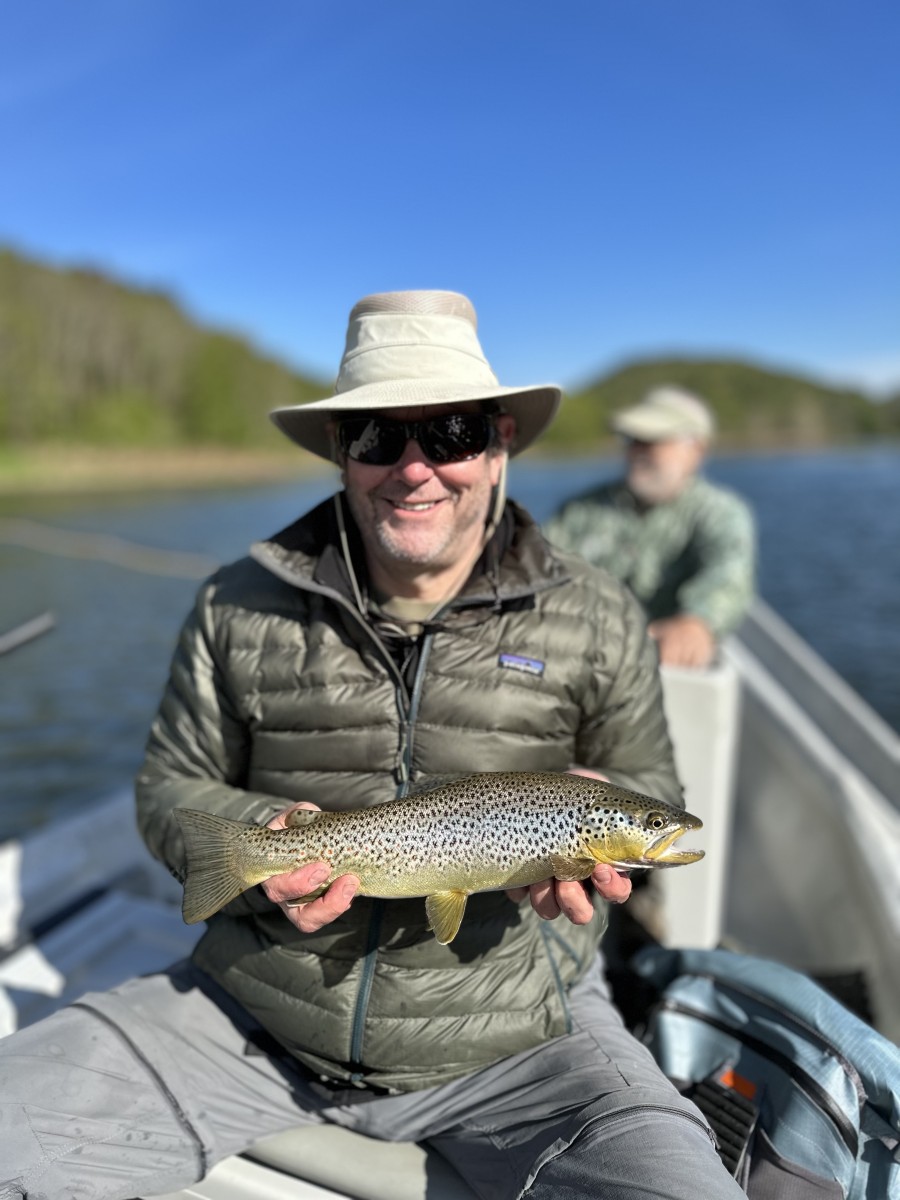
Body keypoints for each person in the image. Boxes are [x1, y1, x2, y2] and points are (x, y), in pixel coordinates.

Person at [0, 291, 745, 1200]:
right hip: (251, 1009)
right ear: (341, 452)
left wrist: (608, 801)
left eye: (451, 431)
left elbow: (649, 784)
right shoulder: (234, 602)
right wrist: (266, 838)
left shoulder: (599, 612)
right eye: (378, 438)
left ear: (499, 440)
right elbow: (169, 789)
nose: (415, 469)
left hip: (525, 1036)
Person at [544, 386, 756, 669]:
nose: (637, 451)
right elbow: (538, 563)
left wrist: (696, 623)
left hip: (661, 666)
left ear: (696, 449)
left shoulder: (720, 512)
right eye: (633, 439)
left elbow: (729, 574)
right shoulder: (581, 509)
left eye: (653, 439)